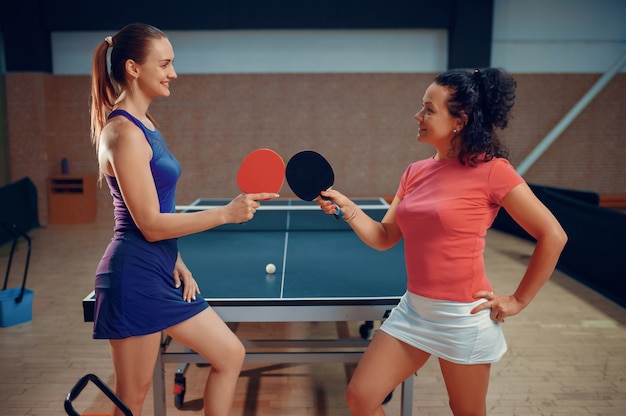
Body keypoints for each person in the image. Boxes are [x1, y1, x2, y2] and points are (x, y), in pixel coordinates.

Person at [317, 68, 567, 416]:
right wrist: (348, 208)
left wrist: (517, 300)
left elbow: (553, 235)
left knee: (465, 411)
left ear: (459, 121)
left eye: (428, 109)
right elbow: (385, 237)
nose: (418, 116)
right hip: (414, 312)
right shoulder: (414, 172)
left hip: (463, 318)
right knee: (360, 397)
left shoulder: (493, 170)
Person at [89, 23, 279, 416]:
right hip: (133, 277)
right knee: (129, 400)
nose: (173, 72)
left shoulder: (147, 126)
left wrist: (175, 259)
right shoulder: (123, 132)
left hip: (157, 268)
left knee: (229, 354)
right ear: (133, 68)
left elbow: (150, 208)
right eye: (165, 63)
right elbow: (149, 224)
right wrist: (226, 214)